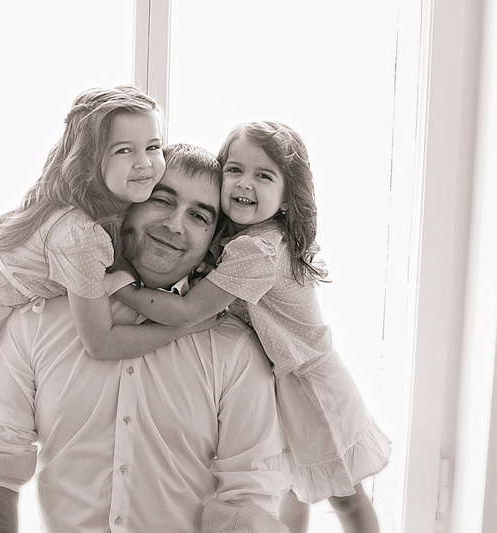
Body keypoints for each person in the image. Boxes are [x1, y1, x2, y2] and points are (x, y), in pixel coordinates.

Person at [0, 87, 220, 533]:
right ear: (91, 158)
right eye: (124, 150)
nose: (144, 163)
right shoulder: (79, 231)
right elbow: (99, 341)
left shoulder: (101, 211)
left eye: (153, 147)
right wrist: (183, 325)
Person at [0, 144, 290, 533]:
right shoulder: (35, 322)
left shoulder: (235, 350)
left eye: (198, 216)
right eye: (161, 200)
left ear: (213, 241)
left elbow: (250, 500)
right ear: (128, 203)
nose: (175, 225)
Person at [113, 122, 392, 533]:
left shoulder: (257, 249)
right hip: (282, 377)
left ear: (286, 198)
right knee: (288, 488)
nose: (245, 183)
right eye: (235, 170)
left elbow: (188, 310)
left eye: (264, 175)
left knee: (345, 497)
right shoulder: (242, 238)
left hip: (310, 386)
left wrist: (120, 286)